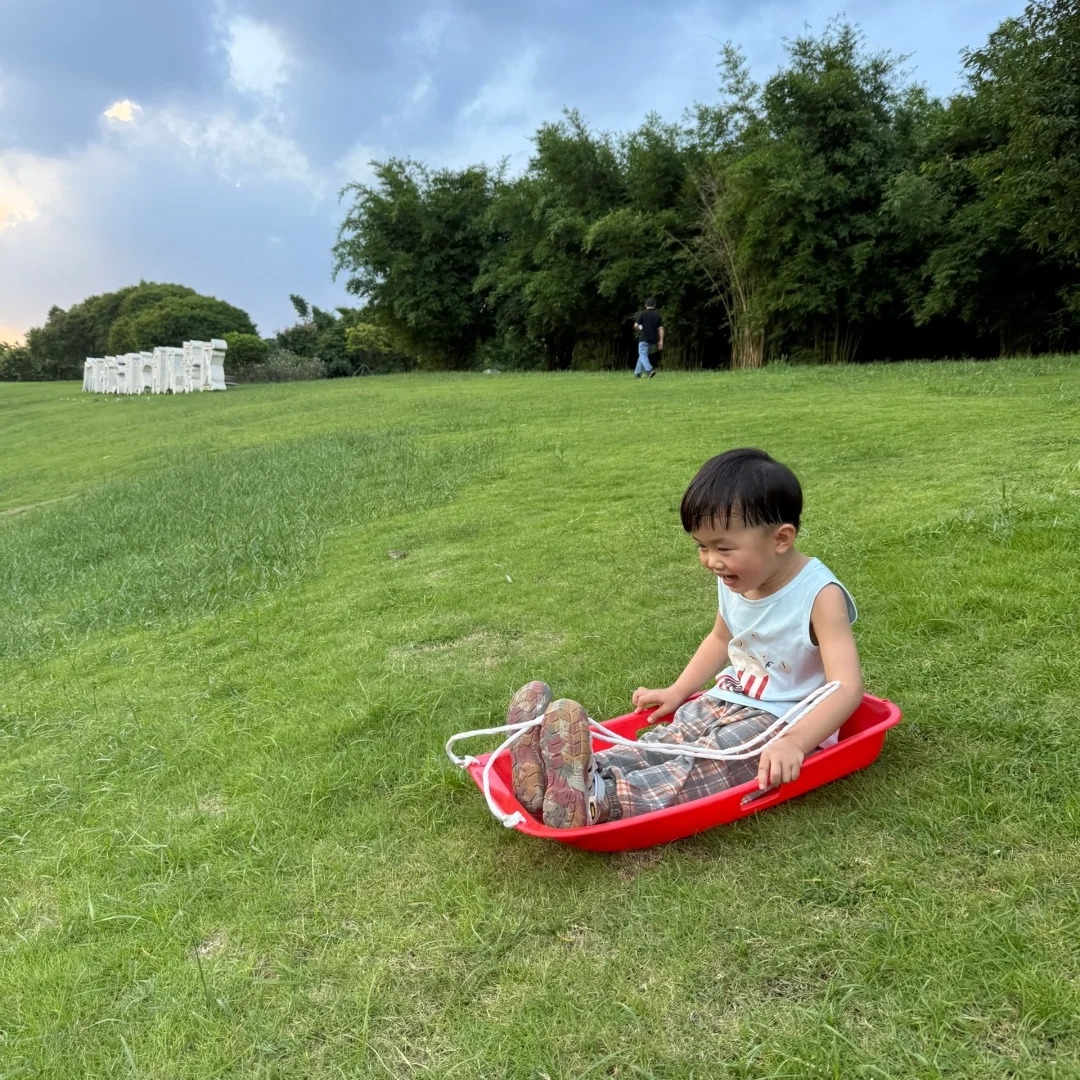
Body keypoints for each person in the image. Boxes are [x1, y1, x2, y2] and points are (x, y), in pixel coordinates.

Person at [508, 448, 864, 828]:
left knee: (707, 765)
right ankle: (565, 776)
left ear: (781, 539)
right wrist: (678, 691)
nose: (711, 561)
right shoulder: (737, 579)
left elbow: (846, 687)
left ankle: (600, 801)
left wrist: (795, 742)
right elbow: (719, 638)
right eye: (701, 546)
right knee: (668, 742)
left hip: (784, 720)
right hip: (727, 697)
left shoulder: (819, 596)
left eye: (723, 547)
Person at [632, 297, 663, 378]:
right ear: (654, 305)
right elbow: (661, 329)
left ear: (646, 305)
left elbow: (635, 325)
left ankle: (649, 370)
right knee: (643, 355)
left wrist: (640, 328)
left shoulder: (642, 314)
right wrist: (661, 341)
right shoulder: (657, 315)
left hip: (643, 339)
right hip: (652, 340)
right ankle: (637, 373)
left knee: (642, 354)